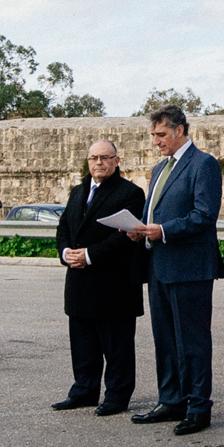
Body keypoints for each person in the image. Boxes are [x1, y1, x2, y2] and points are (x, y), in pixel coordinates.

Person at [131, 105, 222, 435]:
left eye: (161, 135)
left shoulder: (204, 164)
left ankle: (198, 406)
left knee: (192, 341)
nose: (156, 141)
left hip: (190, 268)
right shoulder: (159, 170)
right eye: (153, 135)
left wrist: (163, 230)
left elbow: (204, 214)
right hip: (159, 266)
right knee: (165, 339)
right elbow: (152, 212)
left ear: (180, 130)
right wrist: (139, 228)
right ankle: (171, 401)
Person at [53, 139, 147, 414]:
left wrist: (90, 255)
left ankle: (117, 395)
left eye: (105, 158)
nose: (99, 163)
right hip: (79, 282)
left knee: (116, 346)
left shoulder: (130, 193)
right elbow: (63, 228)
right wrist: (66, 252)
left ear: (117, 161)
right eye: (94, 158)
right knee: (83, 343)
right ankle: (84, 390)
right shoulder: (78, 191)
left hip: (113, 284)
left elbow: (126, 237)